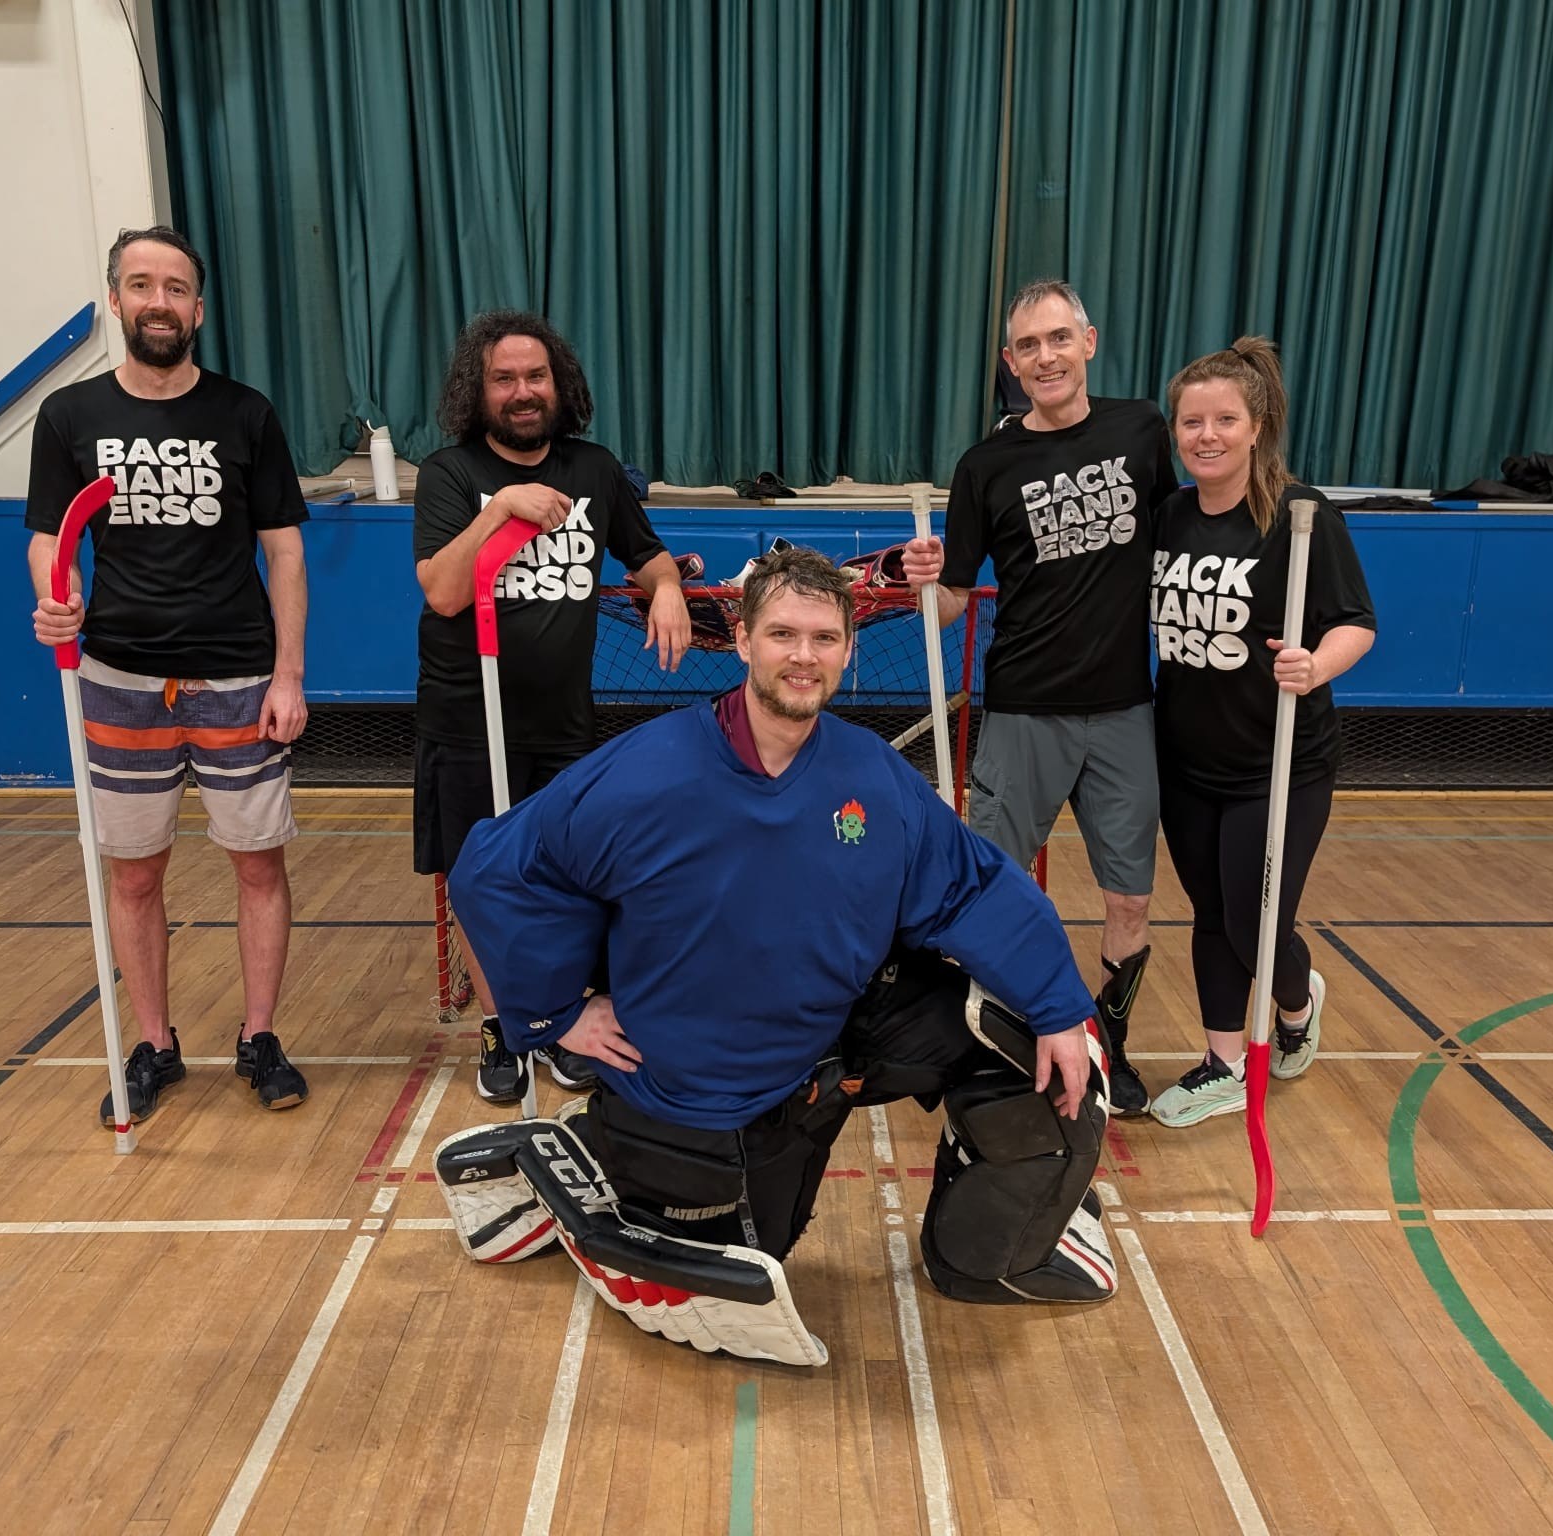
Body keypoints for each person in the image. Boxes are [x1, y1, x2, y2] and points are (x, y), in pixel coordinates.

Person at [431, 547, 1115, 1366]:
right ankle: (590, 1157)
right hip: (705, 1074)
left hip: (840, 1025)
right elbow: (491, 870)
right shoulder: (645, 774)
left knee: (1044, 1047)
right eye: (783, 634)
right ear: (746, 640)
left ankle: (992, 1257)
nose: (803, 655)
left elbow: (972, 887)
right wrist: (553, 1014)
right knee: (760, 1251)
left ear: (849, 650)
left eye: (823, 638)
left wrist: (1059, 1007)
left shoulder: (870, 772)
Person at [27, 225, 311, 1124]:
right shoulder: (71, 418)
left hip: (235, 675)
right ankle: (154, 1044)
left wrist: (287, 675)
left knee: (257, 866)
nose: (159, 301)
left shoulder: (244, 413)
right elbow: (49, 539)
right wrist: (56, 602)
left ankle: (259, 1037)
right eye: (141, 284)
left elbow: (286, 554)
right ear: (116, 299)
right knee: (135, 875)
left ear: (198, 308)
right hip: (119, 678)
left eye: (176, 287)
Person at [902, 278, 1179, 1117]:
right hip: (1022, 709)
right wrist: (921, 581)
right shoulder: (986, 464)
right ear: (1010, 364)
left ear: (1088, 343)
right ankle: (998, 1047)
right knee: (994, 885)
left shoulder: (1145, 431)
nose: (1046, 357)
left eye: (1059, 338)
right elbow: (952, 597)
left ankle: (1110, 1048)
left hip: (1126, 709)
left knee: (1129, 896)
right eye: (1028, 346)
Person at [412, 309, 690, 1105]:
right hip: (469, 719)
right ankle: (505, 1031)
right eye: (505, 378)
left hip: (564, 722)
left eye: (536, 376)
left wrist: (666, 588)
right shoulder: (450, 475)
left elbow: (646, 555)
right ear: (480, 388)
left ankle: (558, 1018)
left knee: (570, 876)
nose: (523, 391)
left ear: (559, 384)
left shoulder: (594, 469)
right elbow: (443, 590)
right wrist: (499, 510)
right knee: (479, 878)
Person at [1146, 336, 1376, 1127]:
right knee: (1211, 913)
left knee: (1255, 919)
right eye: (1190, 422)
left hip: (1278, 763)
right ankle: (1220, 1064)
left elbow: (1357, 622)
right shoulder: (1169, 515)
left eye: (1223, 420)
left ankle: (1293, 1001)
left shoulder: (1299, 516)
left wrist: (1314, 665)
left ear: (1256, 424)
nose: (1205, 436)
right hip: (1185, 761)